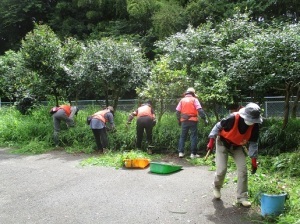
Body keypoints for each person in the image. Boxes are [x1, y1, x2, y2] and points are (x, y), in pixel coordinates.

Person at [206, 102, 263, 207]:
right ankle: (217, 187)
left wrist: (254, 160)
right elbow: (217, 126)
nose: (252, 122)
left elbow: (253, 144)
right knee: (222, 169)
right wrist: (211, 140)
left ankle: (242, 197)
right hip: (223, 143)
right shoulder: (232, 118)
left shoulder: (255, 126)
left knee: (243, 170)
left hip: (237, 147)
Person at [176, 87, 208, 159]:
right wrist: (204, 119)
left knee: (183, 136)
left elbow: (177, 112)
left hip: (184, 120)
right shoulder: (194, 100)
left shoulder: (182, 100)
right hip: (193, 120)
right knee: (193, 137)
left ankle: (181, 152)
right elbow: (200, 110)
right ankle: (193, 154)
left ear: (187, 93)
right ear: (193, 93)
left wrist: (179, 121)